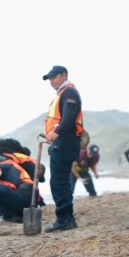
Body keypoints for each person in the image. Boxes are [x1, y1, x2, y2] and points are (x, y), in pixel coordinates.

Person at [42, 65, 84, 232]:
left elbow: (68, 118)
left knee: (58, 181)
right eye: (49, 78)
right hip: (63, 141)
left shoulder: (69, 92)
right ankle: (67, 218)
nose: (51, 81)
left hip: (65, 140)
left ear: (63, 75)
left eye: (53, 77)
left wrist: (55, 132)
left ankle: (64, 219)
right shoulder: (63, 93)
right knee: (61, 180)